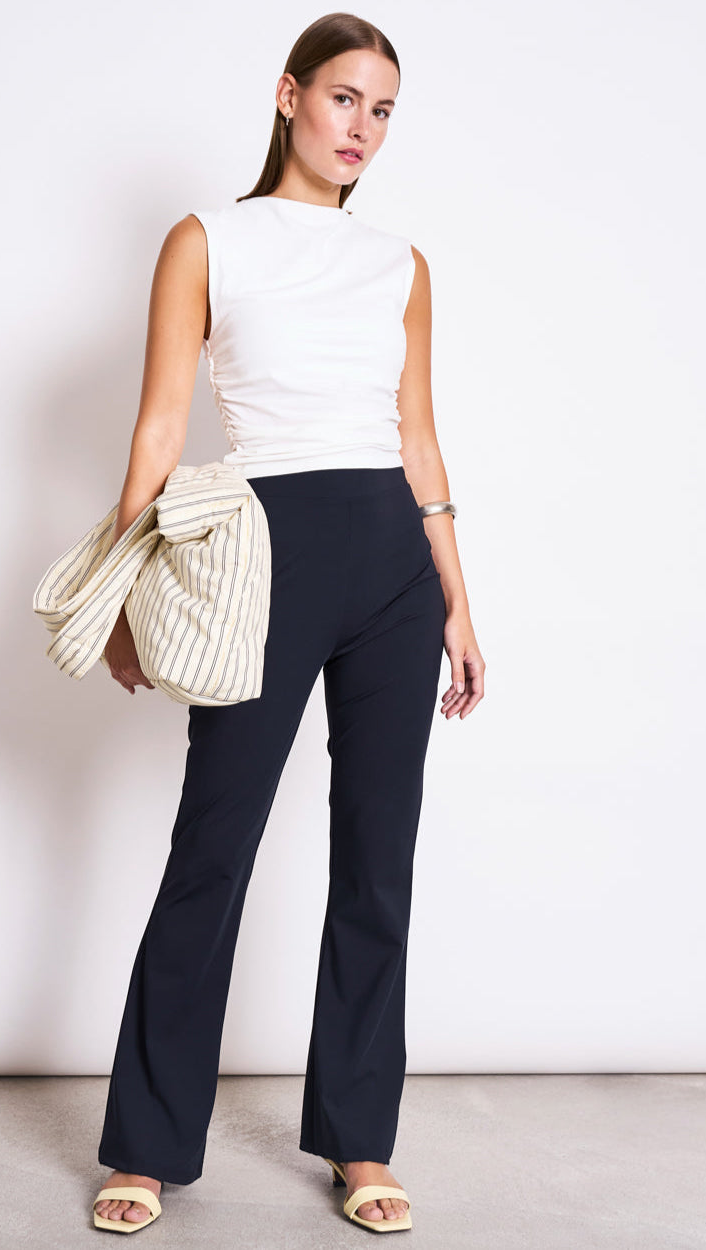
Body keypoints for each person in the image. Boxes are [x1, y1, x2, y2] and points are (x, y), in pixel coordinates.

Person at [91, 12, 485, 1235]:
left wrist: (459, 597)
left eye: (383, 110)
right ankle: (147, 1144)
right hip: (263, 556)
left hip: (391, 567)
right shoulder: (207, 240)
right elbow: (162, 427)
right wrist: (121, 587)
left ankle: (361, 1138)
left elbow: (418, 441)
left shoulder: (400, 264)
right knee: (212, 849)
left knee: (378, 857)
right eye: (344, 98)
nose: (362, 127)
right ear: (288, 95)